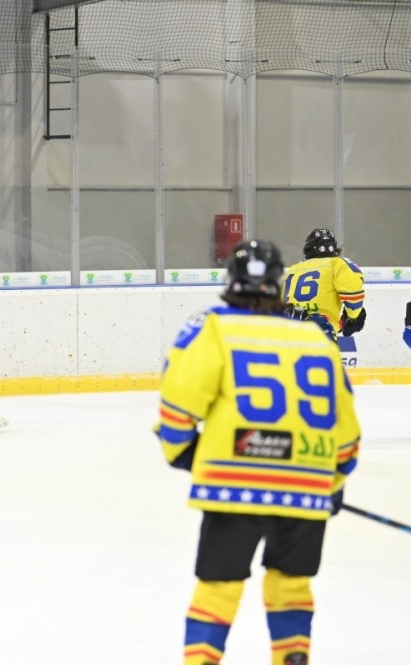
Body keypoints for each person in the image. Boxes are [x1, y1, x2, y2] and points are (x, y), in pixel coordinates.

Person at [155, 239, 360, 665]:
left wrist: (183, 453)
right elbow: (347, 438)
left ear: (231, 281)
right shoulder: (317, 340)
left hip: (233, 484)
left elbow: (177, 406)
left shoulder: (214, 328)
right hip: (305, 485)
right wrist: (332, 481)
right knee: (292, 587)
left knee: (219, 587)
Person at [282, 228, 366, 341]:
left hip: (287, 330)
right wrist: (353, 317)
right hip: (319, 330)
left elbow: (280, 304)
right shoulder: (338, 263)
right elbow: (353, 295)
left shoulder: (292, 270)